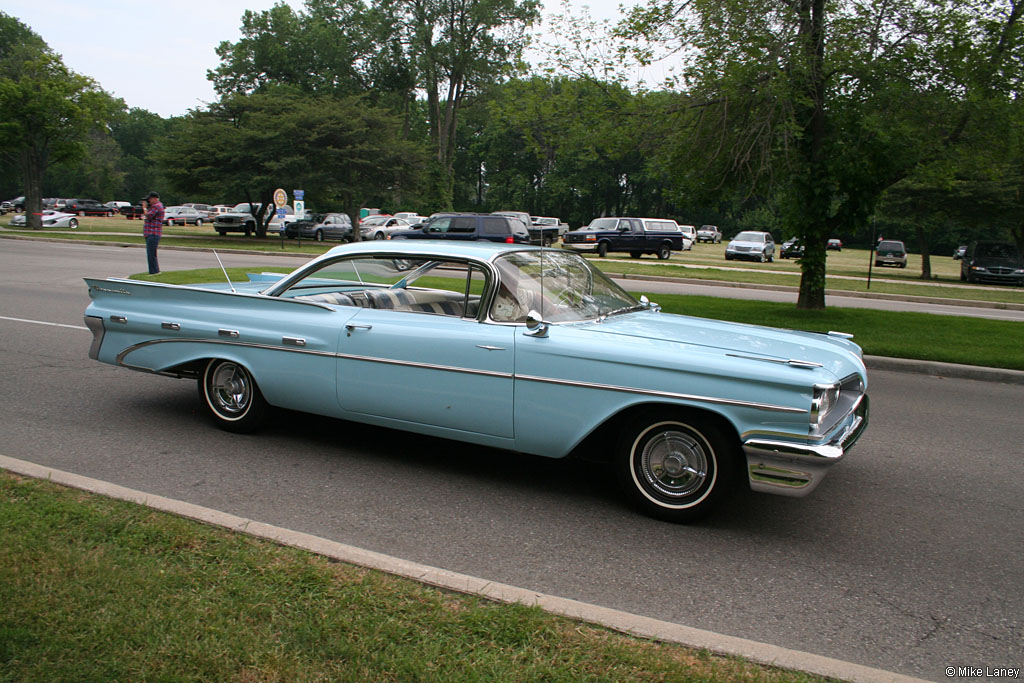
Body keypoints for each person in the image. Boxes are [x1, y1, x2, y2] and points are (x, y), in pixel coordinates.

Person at [141, 191, 164, 274]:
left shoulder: (156, 206)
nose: (149, 201)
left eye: (150, 199)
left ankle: (154, 272)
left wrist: (144, 208)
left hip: (153, 233)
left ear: (155, 198)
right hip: (151, 233)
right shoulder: (155, 206)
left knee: (151, 254)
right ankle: (154, 271)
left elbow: (149, 216)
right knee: (151, 253)